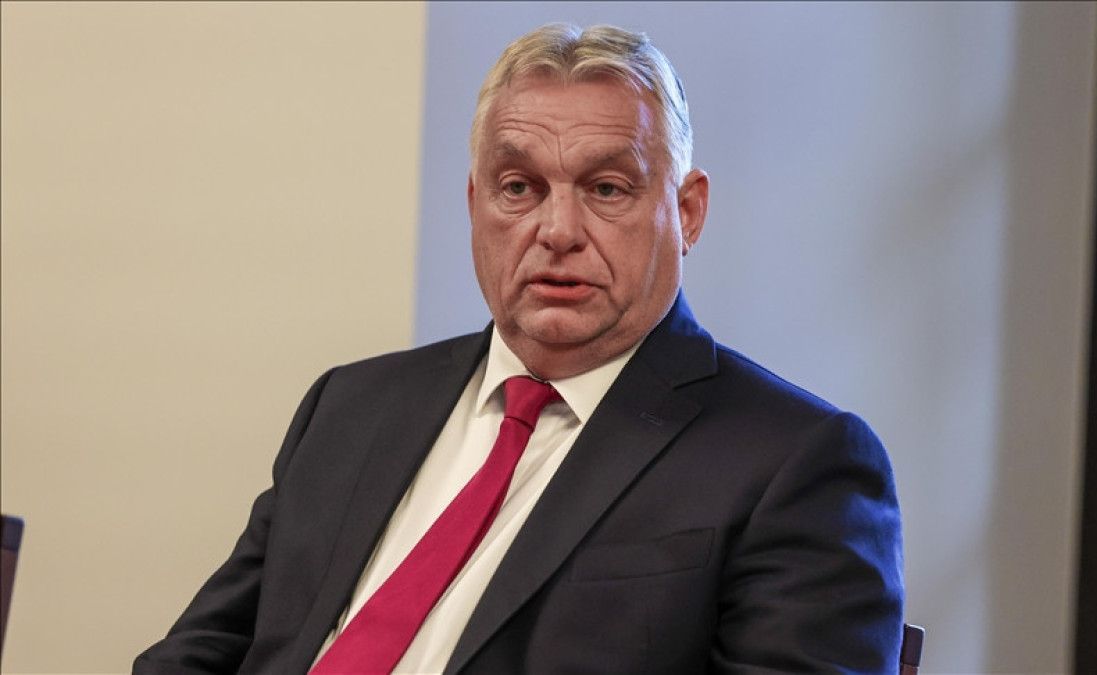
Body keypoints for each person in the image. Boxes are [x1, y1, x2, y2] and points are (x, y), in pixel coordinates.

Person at [135, 23, 903, 674]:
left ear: (688, 211)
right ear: (476, 204)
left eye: (607, 188)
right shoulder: (350, 406)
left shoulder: (796, 463)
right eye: (518, 187)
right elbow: (199, 652)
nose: (558, 231)